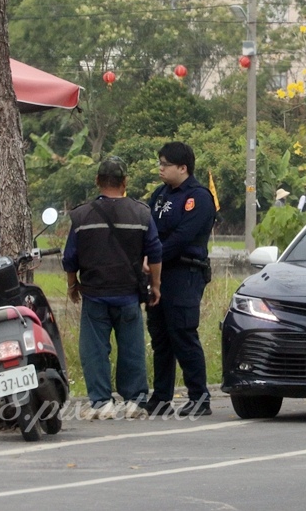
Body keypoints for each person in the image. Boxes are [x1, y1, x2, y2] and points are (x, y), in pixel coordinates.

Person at [63, 157, 163, 420]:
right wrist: (156, 285)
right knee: (132, 348)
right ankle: (135, 401)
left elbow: (70, 258)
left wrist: (73, 285)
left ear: (97, 181)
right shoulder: (141, 213)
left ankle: (101, 402)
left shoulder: (81, 215)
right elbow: (154, 253)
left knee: (94, 350)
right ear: (125, 182)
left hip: (95, 294)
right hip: (129, 293)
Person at [146, 141, 216, 417]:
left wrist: (153, 258)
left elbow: (182, 237)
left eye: (166, 165)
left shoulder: (198, 197)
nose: (161, 169)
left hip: (184, 271)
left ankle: (199, 396)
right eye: (159, 164)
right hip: (158, 272)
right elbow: (149, 230)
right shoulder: (160, 195)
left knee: (183, 333)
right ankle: (161, 397)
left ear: (183, 167)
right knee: (160, 336)